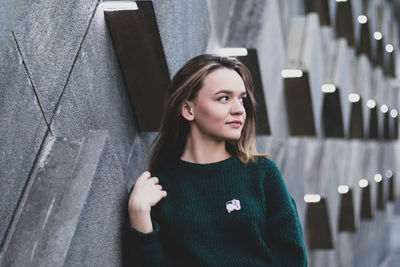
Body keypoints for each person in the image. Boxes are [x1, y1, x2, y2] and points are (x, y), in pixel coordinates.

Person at [127, 54, 307, 266]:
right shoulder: (157, 190)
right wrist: (139, 214)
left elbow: (293, 259)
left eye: (242, 98)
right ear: (188, 109)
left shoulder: (262, 173)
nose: (239, 109)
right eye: (224, 98)